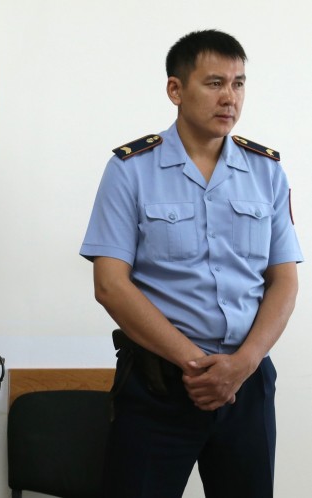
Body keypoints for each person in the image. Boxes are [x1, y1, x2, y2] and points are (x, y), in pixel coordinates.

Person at [80, 30, 302, 497]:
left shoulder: (267, 171)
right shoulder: (130, 169)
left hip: (246, 383)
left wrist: (242, 365)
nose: (229, 97)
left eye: (239, 83)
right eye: (215, 82)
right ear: (175, 89)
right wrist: (198, 366)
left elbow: (284, 280)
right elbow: (110, 285)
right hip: (159, 386)